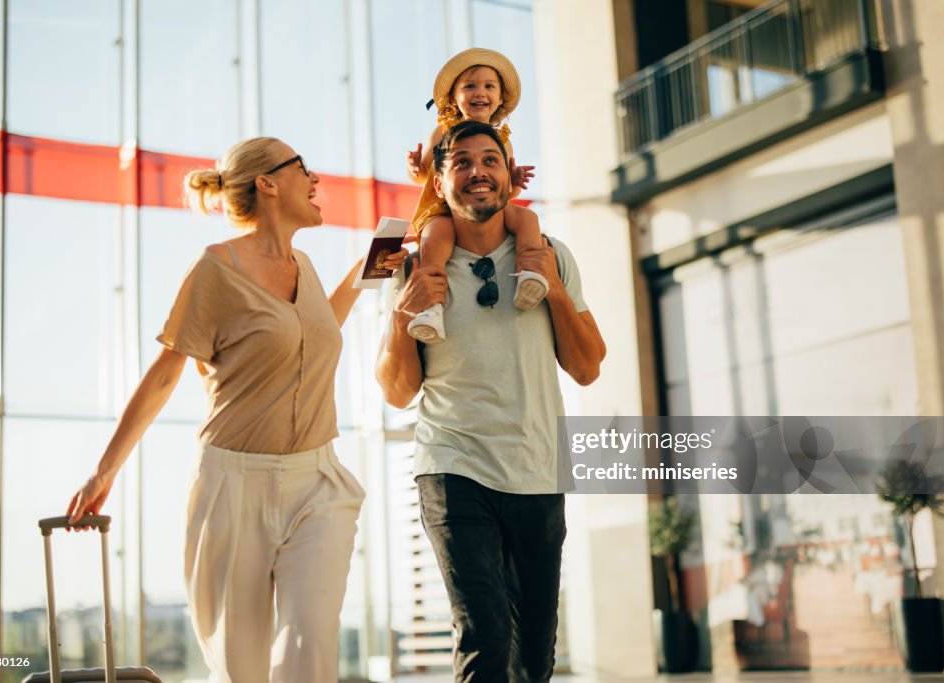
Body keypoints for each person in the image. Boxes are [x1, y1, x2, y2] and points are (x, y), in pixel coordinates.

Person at [66, 137, 404, 683]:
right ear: (267, 183)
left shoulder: (306, 265)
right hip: (232, 487)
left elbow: (317, 328)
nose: (316, 180)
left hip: (316, 483)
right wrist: (104, 471)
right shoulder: (216, 269)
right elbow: (164, 374)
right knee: (241, 668)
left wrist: (377, 261)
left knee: (308, 643)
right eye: (304, 169)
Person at [376, 120, 606, 682]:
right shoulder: (410, 266)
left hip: (536, 467)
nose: (477, 171)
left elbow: (587, 367)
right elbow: (398, 392)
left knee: (533, 656)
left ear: (508, 176)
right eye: (461, 162)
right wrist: (405, 315)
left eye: (490, 160)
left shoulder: (551, 253)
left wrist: (550, 286)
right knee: (485, 636)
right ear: (440, 179)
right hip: (453, 466)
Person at [405, 47, 548, 344]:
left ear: (499, 98)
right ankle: (431, 308)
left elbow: (504, 191)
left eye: (488, 86)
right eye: (469, 86)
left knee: (527, 218)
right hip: (444, 208)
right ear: (454, 98)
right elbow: (426, 175)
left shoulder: (503, 141)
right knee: (434, 243)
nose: (479, 92)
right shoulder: (443, 130)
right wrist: (416, 168)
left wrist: (516, 182)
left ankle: (529, 274)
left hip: (489, 208)